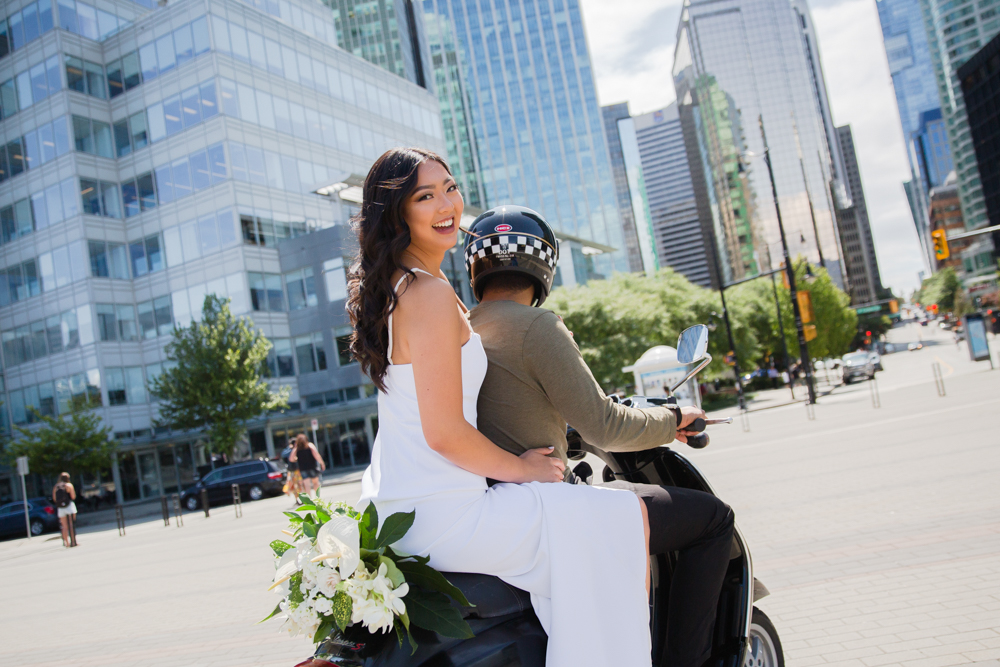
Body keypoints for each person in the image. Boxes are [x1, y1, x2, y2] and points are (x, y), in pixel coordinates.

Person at [351, 148, 652, 666]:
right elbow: (444, 432)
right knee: (628, 515)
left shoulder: (400, 288)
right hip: (446, 513)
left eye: (450, 187)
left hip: (402, 504)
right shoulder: (428, 294)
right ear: (396, 213)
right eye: (425, 196)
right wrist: (523, 468)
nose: (446, 204)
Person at [465, 205, 735, 667]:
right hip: (546, 504)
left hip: (493, 502)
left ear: (476, 265)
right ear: (544, 265)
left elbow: (508, 406)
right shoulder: (538, 326)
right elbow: (604, 425)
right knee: (713, 519)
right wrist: (673, 419)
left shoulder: (465, 328)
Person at [52, 472, 77, 547]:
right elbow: (73, 497)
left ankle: (66, 543)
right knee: (71, 524)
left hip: (61, 508)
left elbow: (54, 499)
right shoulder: (69, 485)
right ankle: (73, 541)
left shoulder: (56, 486)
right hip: (69, 506)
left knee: (64, 526)